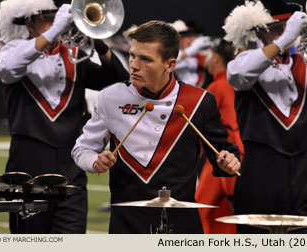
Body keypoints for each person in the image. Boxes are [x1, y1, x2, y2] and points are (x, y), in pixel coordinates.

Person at [72, 20, 241, 234]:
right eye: (133, 55)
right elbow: (81, 149)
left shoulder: (200, 101)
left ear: (170, 65)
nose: (133, 65)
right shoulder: (110, 97)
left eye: (145, 59)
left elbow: (223, 152)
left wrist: (229, 162)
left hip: (182, 225)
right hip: (126, 224)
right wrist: (95, 161)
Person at [0, 0, 129, 234]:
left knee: (72, 240)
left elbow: (118, 78)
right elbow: (6, 69)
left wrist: (96, 39)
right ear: (29, 23)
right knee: (30, 241)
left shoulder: (75, 55)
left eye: (55, 17)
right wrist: (55, 29)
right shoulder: (13, 49)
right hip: (28, 167)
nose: (55, 22)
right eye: (46, 17)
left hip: (71, 168)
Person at [224, 0, 307, 233]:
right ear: (260, 30)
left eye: (290, 27)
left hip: (306, 173)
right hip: (260, 174)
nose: (288, 33)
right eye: (280, 27)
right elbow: (237, 74)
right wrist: (282, 41)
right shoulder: (245, 63)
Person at [195, 39, 244, 234]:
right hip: (241, 153)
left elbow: (202, 129)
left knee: (203, 208)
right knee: (225, 213)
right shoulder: (236, 84)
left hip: (223, 156)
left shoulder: (217, 87)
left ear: (216, 58)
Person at [172, 20, 212, 87]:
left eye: (195, 36)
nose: (192, 39)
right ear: (179, 39)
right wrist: (191, 50)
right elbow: (167, 61)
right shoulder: (172, 56)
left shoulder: (203, 57)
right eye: (188, 36)